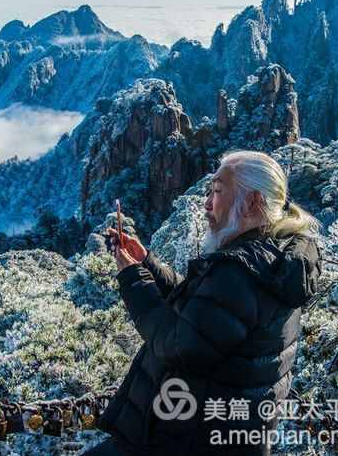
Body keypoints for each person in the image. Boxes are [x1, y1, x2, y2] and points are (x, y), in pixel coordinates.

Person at [85, 150, 322, 455]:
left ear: (252, 202)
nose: (207, 202)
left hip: (185, 439)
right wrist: (146, 263)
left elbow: (179, 345)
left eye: (218, 192)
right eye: (209, 191)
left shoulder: (240, 272)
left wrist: (132, 278)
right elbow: (203, 315)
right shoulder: (271, 257)